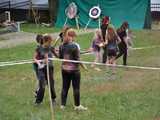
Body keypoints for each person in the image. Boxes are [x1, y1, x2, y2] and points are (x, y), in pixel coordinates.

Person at [59, 27, 87, 111]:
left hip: (64, 69)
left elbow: (60, 57)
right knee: (76, 88)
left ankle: (62, 105)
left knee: (64, 87)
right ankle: (77, 106)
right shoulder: (74, 46)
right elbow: (78, 59)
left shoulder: (61, 46)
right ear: (71, 36)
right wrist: (84, 66)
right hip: (74, 70)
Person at [33, 34, 57, 105]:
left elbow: (57, 56)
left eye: (51, 42)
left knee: (51, 84)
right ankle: (38, 101)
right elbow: (34, 58)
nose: (50, 43)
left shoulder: (51, 48)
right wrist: (39, 63)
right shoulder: (39, 48)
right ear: (44, 41)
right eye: (49, 42)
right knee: (42, 85)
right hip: (41, 69)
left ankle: (53, 99)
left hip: (50, 68)